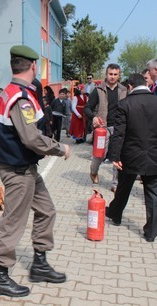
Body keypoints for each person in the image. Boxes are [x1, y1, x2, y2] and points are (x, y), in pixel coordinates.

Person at [0, 45, 70, 297]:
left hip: (26, 169)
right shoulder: (20, 97)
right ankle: (0, 276)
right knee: (13, 222)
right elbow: (32, 139)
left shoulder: (10, 92)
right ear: (33, 66)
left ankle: (39, 264)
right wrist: (60, 148)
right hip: (18, 171)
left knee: (47, 211)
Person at [106, 73, 157, 243]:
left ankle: (115, 215)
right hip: (154, 156)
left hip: (130, 156)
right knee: (152, 193)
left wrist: (114, 155)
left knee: (123, 187)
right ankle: (151, 232)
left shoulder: (125, 104)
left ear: (130, 87)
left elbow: (119, 133)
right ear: (145, 84)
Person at [84, 63, 128, 191]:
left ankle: (115, 184)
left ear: (119, 75)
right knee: (100, 155)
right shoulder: (98, 90)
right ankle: (93, 171)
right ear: (106, 74)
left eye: (115, 74)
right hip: (103, 128)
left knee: (118, 155)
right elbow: (87, 108)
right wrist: (94, 117)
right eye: (110, 74)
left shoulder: (124, 90)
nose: (113, 77)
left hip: (119, 127)